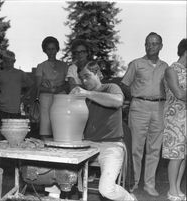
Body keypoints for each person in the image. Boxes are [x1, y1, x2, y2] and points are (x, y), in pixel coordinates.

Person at [70, 61, 137, 201]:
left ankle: (130, 199)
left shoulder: (111, 87)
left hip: (111, 145)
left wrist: (87, 93)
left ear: (98, 74)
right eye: (81, 78)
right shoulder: (82, 95)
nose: (84, 80)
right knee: (59, 170)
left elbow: (118, 101)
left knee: (106, 190)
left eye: (87, 76)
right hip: (88, 145)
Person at [121, 32, 168, 196]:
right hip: (139, 106)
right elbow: (125, 84)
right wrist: (134, 96)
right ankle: (132, 182)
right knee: (136, 147)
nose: (150, 46)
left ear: (161, 46)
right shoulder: (136, 64)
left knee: (154, 148)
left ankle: (149, 184)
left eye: (154, 43)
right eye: (148, 43)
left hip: (159, 107)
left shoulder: (165, 66)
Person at [162, 38, 186, 201]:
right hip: (174, 118)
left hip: (186, 118)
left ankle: (177, 188)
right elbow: (179, 94)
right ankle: (171, 191)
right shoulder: (171, 70)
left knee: (183, 155)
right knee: (175, 154)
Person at [35, 36, 68, 139]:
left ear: (57, 49)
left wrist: (59, 89)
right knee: (46, 124)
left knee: (61, 123)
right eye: (48, 49)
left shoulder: (64, 66)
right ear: (44, 50)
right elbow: (38, 86)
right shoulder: (41, 66)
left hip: (61, 98)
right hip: (45, 99)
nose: (51, 51)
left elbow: (68, 83)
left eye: (53, 48)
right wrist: (50, 90)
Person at [0, 50, 33, 121]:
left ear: (14, 61)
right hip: (2, 110)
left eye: (10, 60)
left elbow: (32, 86)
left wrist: (23, 98)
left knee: (14, 131)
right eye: (6, 60)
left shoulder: (20, 74)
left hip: (16, 111)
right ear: (3, 61)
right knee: (1, 131)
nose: (8, 63)